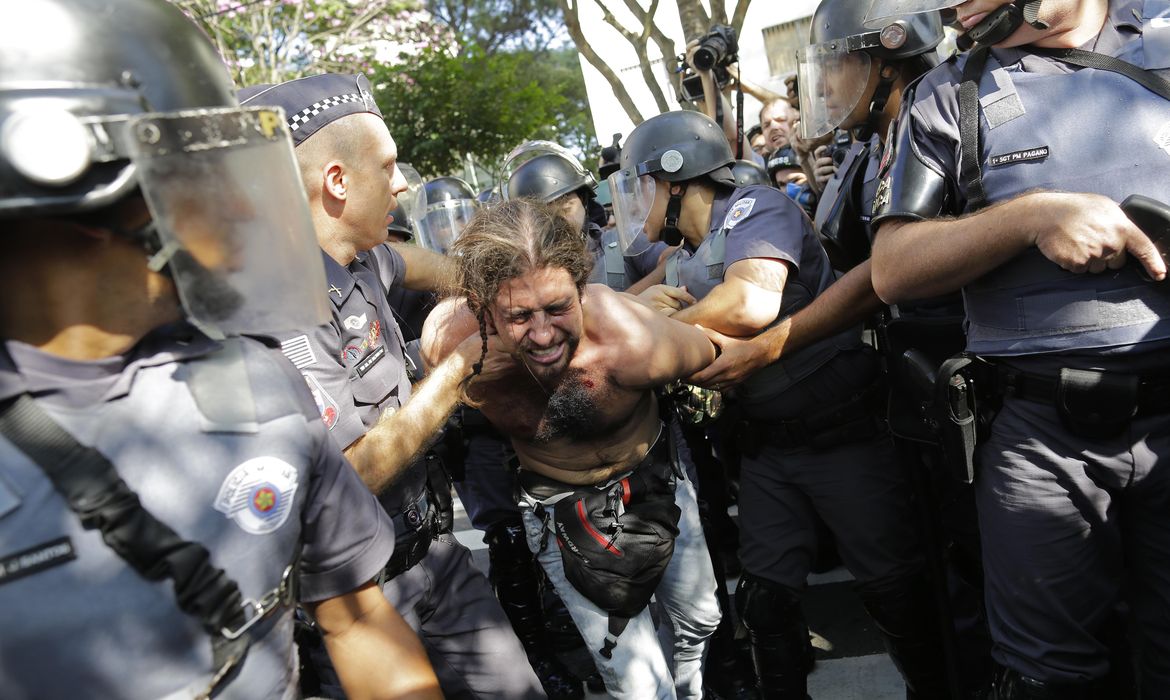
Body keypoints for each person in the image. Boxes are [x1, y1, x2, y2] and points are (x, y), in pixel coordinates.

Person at [0, 1, 440, 698]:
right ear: (71, 176)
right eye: (194, 178)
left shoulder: (257, 382)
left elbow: (358, 625)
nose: (238, 210)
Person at [867, 0, 1170, 696]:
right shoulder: (949, 93)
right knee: (1045, 676)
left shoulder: (1160, 39)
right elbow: (893, 266)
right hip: (1040, 440)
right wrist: (1032, 217)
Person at [610, 108, 949, 699]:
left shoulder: (755, 208)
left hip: (842, 436)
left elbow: (748, 305)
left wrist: (668, 327)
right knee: (765, 605)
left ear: (677, 178)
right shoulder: (681, 253)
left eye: (644, 184)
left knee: (897, 593)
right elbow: (611, 309)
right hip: (765, 450)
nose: (639, 201)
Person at [240, 74, 544, 699]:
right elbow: (350, 476)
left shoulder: (369, 257)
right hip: (363, 600)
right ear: (337, 182)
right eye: (388, 165)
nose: (402, 183)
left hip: (437, 558)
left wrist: (528, 290)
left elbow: (452, 271)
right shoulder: (278, 306)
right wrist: (458, 368)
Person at [421, 199, 723, 700]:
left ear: (582, 291)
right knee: (638, 685)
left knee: (700, 620)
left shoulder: (632, 342)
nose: (542, 335)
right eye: (519, 316)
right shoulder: (454, 350)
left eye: (559, 308)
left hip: (655, 485)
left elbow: (716, 352)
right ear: (483, 308)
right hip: (560, 511)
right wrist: (458, 373)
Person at [506, 147, 665, 294]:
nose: (561, 221)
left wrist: (664, 267)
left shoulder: (623, 241)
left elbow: (673, 261)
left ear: (583, 200)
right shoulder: (523, 274)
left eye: (566, 207)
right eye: (546, 216)